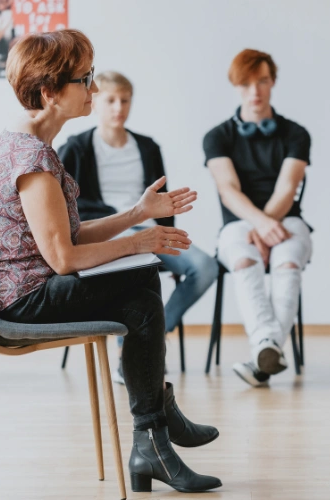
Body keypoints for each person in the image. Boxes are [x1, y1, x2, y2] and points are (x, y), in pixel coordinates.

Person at [0, 29, 221, 493]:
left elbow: (69, 234)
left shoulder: (29, 146)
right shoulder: (32, 161)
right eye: (85, 80)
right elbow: (65, 258)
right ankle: (155, 427)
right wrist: (139, 241)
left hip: (25, 287)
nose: (95, 90)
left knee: (141, 293)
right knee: (143, 289)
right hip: (20, 302)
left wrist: (137, 215)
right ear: (49, 92)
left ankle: (154, 433)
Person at [58, 71, 219, 384]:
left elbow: (162, 200)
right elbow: (70, 210)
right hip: (110, 234)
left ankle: (147, 338)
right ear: (95, 101)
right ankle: (132, 352)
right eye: (111, 100)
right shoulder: (76, 148)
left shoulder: (147, 147)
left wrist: (166, 233)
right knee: (133, 277)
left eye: (125, 100)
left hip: (150, 231)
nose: (119, 107)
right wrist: (122, 221)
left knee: (205, 266)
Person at [203, 48, 312, 387]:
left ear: (273, 82)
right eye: (247, 83)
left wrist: (266, 226)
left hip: (288, 220)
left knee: (288, 262)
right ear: (236, 86)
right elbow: (228, 191)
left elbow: (286, 190)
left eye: (262, 81)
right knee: (243, 260)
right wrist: (260, 226)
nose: (255, 91)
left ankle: (263, 353)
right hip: (238, 225)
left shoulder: (296, 133)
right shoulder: (217, 136)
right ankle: (268, 348)